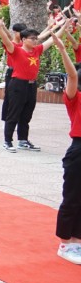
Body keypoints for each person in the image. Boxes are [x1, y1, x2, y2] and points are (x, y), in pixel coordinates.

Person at [0, 13, 59, 152]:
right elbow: (6, 41)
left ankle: (23, 140)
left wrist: (62, 27)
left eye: (36, 38)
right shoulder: (16, 50)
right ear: (23, 40)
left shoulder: (37, 50)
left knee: (27, 113)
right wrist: (0, 28)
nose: (35, 41)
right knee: (14, 112)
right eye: (32, 39)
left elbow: (51, 40)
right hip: (18, 84)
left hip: (31, 85)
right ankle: (8, 141)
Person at [49, 31, 81, 265]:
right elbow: (71, 75)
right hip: (78, 151)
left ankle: (78, 240)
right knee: (72, 196)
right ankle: (65, 243)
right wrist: (62, 49)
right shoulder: (75, 97)